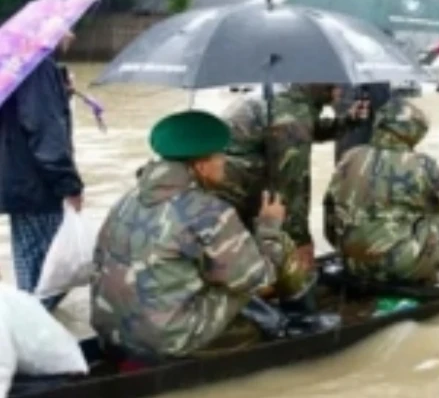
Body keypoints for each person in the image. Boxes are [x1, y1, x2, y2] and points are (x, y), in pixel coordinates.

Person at [90, 110, 312, 361]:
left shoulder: (127, 198)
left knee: (214, 271)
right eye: (221, 157)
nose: (225, 164)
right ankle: (300, 319)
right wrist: (270, 227)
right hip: (166, 342)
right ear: (202, 166)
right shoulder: (208, 212)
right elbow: (257, 278)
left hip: (110, 332)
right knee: (266, 261)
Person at [212, 84, 368, 272]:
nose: (340, 92)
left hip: (226, 179)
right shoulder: (290, 115)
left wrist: (347, 121)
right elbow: (291, 185)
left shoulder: (289, 100)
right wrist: (300, 241)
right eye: (335, 87)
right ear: (321, 86)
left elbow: (308, 128)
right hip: (231, 187)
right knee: (270, 246)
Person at [324, 98, 439, 286]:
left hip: (352, 264)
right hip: (399, 268)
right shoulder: (421, 164)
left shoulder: (349, 156)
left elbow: (329, 212)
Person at [0, 30, 82, 310]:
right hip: (38, 185)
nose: (72, 35)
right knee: (51, 278)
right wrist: (69, 185)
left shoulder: (16, 65)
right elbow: (45, 132)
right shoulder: (39, 66)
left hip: (15, 182)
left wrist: (61, 92)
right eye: (68, 29)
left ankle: (24, 333)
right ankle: (33, 341)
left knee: (32, 271)